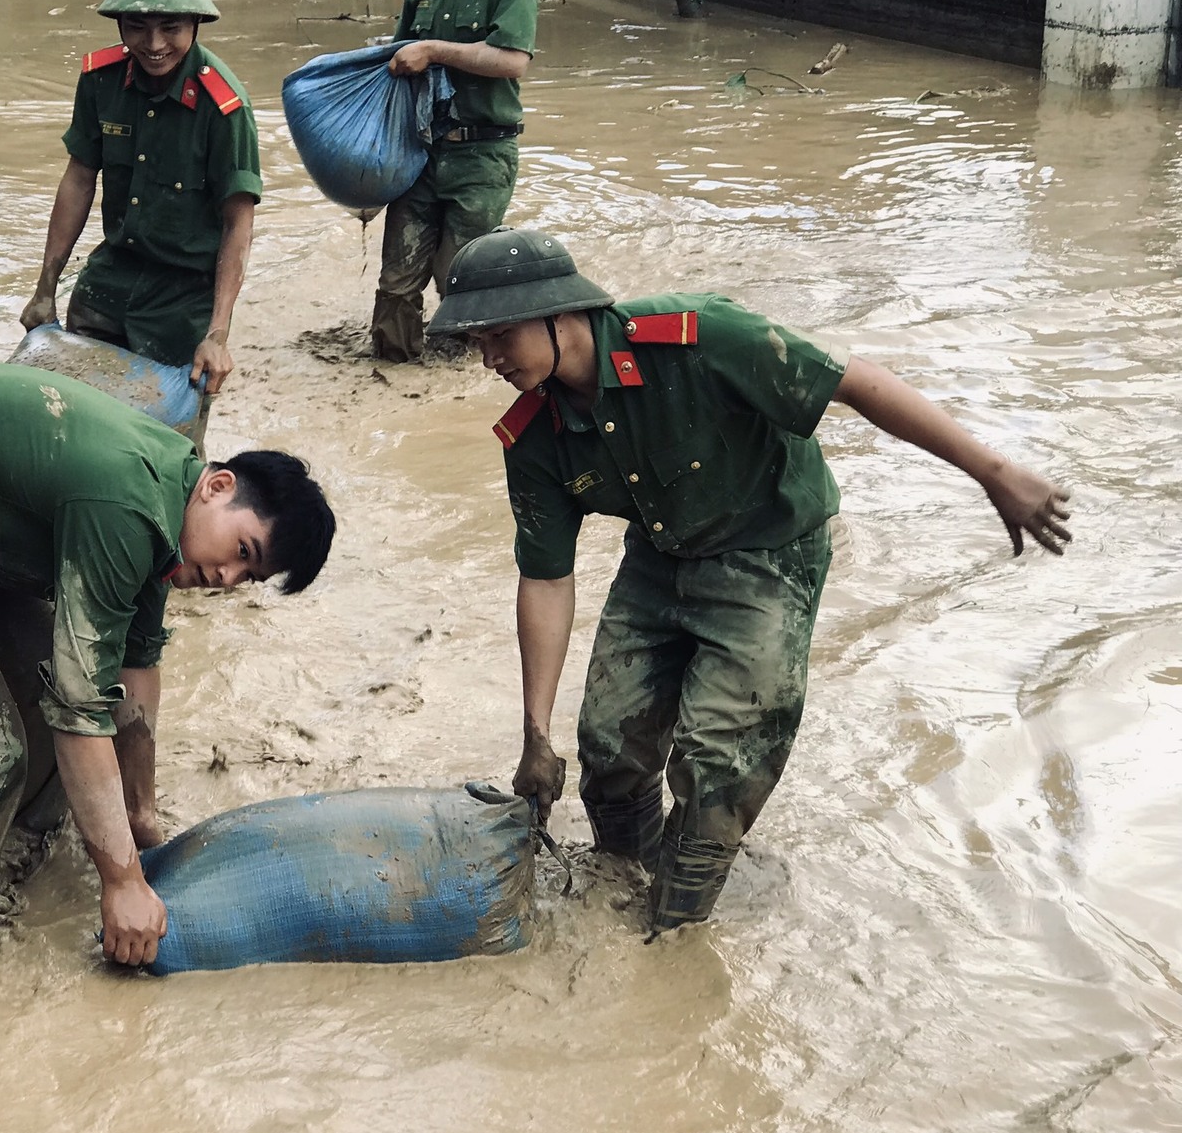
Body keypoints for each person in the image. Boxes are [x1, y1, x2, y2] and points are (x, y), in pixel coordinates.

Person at [428, 229, 1072, 935]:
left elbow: (856, 382)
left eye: (500, 336)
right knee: (609, 746)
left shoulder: (698, 338)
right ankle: (622, 891)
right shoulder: (536, 433)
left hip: (770, 550)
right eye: (474, 342)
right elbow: (546, 579)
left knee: (720, 763)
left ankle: (674, 932)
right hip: (661, 553)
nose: (487, 358)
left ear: (560, 314)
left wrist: (994, 472)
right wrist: (534, 733)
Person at [0, 363, 336, 965]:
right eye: (242, 551)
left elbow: (133, 668)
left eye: (248, 577)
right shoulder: (127, 505)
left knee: (47, 704)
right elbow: (79, 710)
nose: (226, 578)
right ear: (218, 486)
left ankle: (8, 855)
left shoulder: (172, 504)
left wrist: (139, 813)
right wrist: (123, 883)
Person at [19, 0, 259, 424]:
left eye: (170, 27)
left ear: (195, 24)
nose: (153, 44)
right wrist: (44, 287)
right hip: (108, 283)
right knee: (69, 422)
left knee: (168, 448)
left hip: (182, 302)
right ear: (120, 25)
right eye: (137, 27)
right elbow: (79, 179)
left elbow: (238, 223)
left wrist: (217, 334)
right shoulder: (99, 80)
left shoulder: (224, 107)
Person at [371, 0, 541, 363]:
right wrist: (366, 166)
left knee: (459, 279)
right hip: (420, 152)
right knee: (396, 281)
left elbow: (512, 61)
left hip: (482, 155)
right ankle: (394, 374)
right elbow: (398, 67)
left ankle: (470, 377)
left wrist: (434, 50)